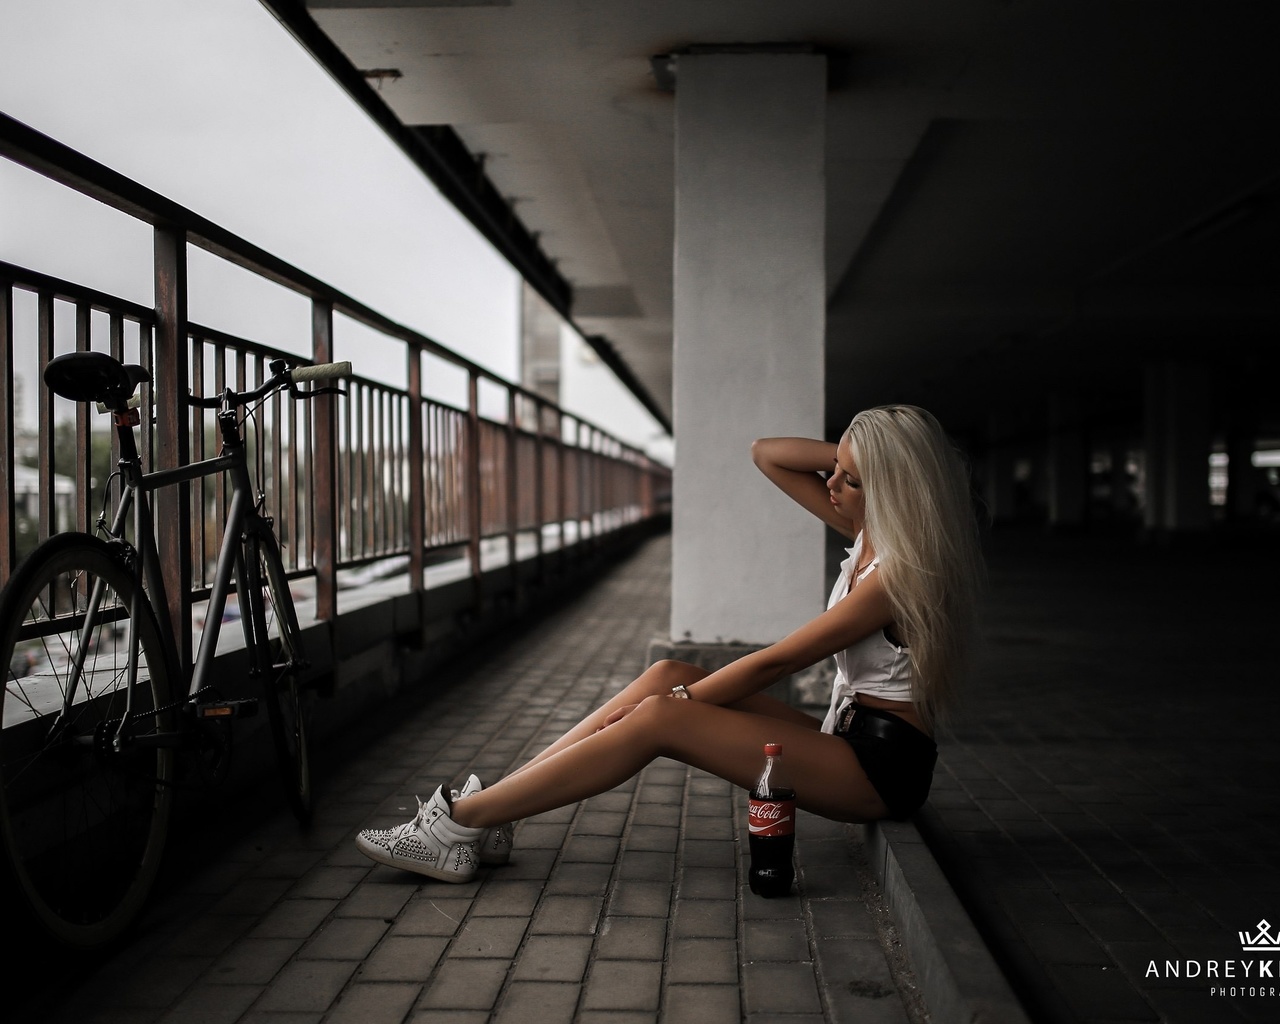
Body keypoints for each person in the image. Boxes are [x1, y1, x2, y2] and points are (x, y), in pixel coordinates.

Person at [355, 404, 983, 883]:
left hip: (880, 769)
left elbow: (782, 660)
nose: (831, 484)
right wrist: (859, 454)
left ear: (891, 489)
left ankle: (458, 827)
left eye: (848, 478)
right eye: (836, 472)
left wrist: (687, 703)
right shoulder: (866, 522)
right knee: (665, 675)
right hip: (846, 734)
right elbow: (768, 453)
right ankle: (496, 813)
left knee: (662, 711)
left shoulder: (898, 573)